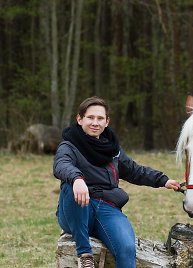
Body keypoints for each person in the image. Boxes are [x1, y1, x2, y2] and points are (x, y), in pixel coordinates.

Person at [53, 96, 180, 268]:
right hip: (77, 207)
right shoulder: (68, 146)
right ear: (79, 119)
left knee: (127, 248)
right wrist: (77, 179)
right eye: (90, 117)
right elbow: (61, 165)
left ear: (107, 122)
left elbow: (134, 170)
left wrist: (163, 180)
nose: (95, 123)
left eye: (100, 118)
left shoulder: (112, 149)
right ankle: (84, 255)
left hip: (107, 207)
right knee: (71, 185)